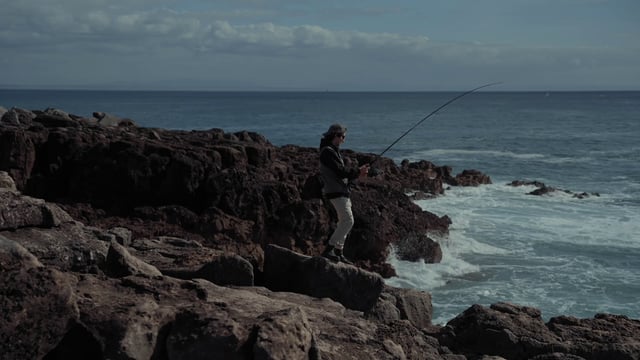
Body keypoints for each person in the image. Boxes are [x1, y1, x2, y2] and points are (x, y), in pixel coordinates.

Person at [319, 124, 369, 264]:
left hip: (341, 190)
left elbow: (343, 174)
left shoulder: (333, 151)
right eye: (342, 136)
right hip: (335, 191)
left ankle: (338, 252)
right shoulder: (327, 152)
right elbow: (340, 171)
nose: (343, 139)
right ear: (335, 135)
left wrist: (357, 173)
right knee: (348, 221)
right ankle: (329, 250)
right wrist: (357, 172)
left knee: (344, 221)